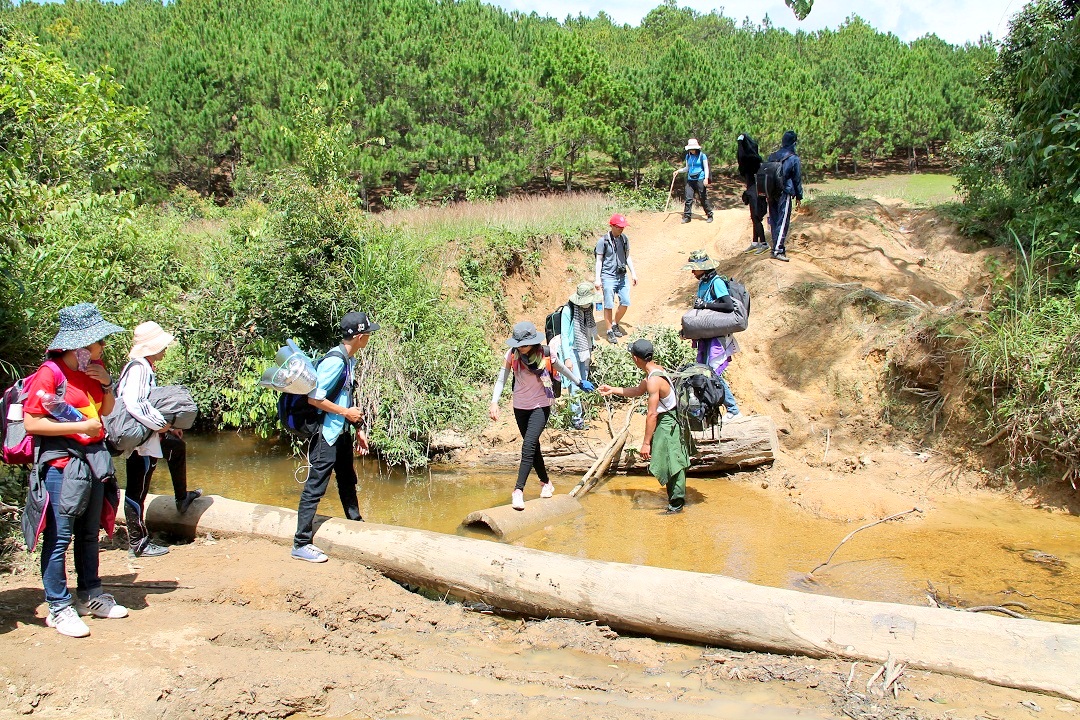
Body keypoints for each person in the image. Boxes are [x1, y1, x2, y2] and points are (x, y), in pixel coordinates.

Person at [22, 303, 128, 637]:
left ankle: (90, 595)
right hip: (61, 466)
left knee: (87, 533)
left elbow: (106, 410)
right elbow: (31, 422)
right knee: (58, 538)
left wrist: (107, 383)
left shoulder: (94, 368)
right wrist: (78, 426)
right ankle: (58, 606)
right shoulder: (50, 373)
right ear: (79, 342)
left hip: (93, 461)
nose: (102, 348)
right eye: (99, 341)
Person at [291, 311, 378, 563]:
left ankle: (355, 523)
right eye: (368, 334)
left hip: (341, 432)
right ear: (360, 337)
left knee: (347, 479)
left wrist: (358, 427)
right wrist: (345, 413)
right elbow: (314, 399)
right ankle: (301, 542)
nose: (369, 338)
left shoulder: (349, 361)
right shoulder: (335, 361)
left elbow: (347, 397)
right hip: (326, 433)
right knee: (316, 486)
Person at [117, 321, 202, 558]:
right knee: (138, 488)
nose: (165, 349)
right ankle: (138, 542)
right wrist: (161, 424)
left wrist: (168, 429)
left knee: (176, 447)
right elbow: (134, 403)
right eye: (162, 345)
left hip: (148, 435)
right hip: (140, 442)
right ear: (152, 347)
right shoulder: (139, 369)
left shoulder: (142, 366)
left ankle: (182, 498)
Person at [490, 321, 593, 511]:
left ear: (533, 342)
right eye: (519, 344)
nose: (521, 348)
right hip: (520, 406)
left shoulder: (545, 353)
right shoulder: (512, 354)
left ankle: (518, 491)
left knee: (528, 445)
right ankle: (546, 482)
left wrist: (579, 382)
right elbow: (501, 378)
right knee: (533, 446)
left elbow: (561, 368)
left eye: (525, 345)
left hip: (541, 405)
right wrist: (494, 402)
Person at [598, 339, 691, 514]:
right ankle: (675, 501)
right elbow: (637, 391)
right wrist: (613, 389)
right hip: (670, 421)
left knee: (673, 462)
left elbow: (652, 414)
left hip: (668, 422)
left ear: (635, 358)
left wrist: (646, 443)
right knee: (670, 460)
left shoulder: (654, 380)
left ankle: (676, 504)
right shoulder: (656, 371)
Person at [683, 250, 741, 420]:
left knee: (712, 373)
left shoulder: (716, 282)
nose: (692, 272)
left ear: (703, 267)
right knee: (703, 372)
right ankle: (711, 412)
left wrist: (706, 304)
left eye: (694, 268)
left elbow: (728, 306)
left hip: (717, 338)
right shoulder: (703, 283)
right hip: (706, 337)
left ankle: (733, 410)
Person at [556, 282, 598, 430]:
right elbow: (565, 336)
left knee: (584, 380)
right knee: (576, 383)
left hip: (585, 348)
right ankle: (576, 419)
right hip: (572, 350)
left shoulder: (589, 308)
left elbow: (588, 328)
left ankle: (583, 410)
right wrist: (567, 358)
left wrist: (592, 346)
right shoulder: (568, 311)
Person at [594, 214, 638, 345]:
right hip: (608, 276)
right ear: (612, 226)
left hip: (622, 275)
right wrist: (597, 279)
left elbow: (627, 257)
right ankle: (609, 331)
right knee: (608, 304)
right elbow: (599, 260)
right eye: (619, 227)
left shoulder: (624, 239)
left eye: (623, 227)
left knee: (625, 301)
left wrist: (633, 273)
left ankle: (615, 323)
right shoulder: (603, 241)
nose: (621, 229)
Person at [766, 130, 804, 262]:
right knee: (782, 221)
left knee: (775, 220)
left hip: (771, 192)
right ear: (794, 143)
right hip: (785, 191)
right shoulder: (793, 158)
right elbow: (797, 179)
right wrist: (799, 196)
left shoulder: (772, 156)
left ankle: (776, 247)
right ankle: (777, 250)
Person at [737, 133, 770, 254]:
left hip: (753, 191)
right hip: (759, 190)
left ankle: (764, 243)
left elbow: (741, 159)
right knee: (755, 217)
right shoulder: (757, 158)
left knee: (756, 218)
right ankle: (755, 242)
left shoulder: (747, 160)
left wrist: (740, 143)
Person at [673, 138, 714, 224]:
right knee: (688, 198)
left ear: (696, 148)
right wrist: (678, 171)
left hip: (700, 178)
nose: (691, 150)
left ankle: (709, 215)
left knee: (703, 197)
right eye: (690, 148)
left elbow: (706, 168)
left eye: (692, 148)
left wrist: (706, 178)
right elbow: (687, 168)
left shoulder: (702, 156)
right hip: (690, 179)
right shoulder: (688, 156)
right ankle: (687, 217)